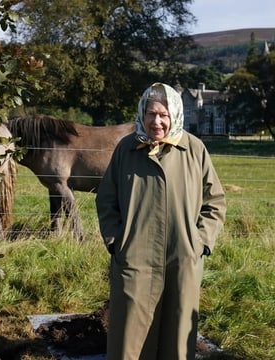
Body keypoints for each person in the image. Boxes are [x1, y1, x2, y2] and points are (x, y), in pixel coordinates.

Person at [95, 82, 226, 360]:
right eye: (151, 114)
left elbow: (214, 201)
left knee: (177, 338)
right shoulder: (126, 149)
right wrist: (116, 240)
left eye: (164, 115)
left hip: (183, 258)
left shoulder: (194, 149)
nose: (157, 121)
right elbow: (106, 199)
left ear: (175, 115)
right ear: (142, 113)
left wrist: (200, 242)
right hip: (134, 258)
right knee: (129, 338)